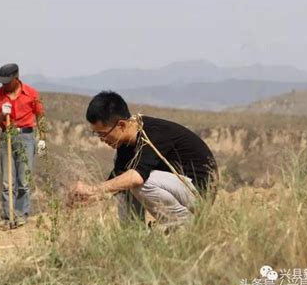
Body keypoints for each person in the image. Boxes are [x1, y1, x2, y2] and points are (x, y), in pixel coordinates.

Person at [71, 91, 217, 227]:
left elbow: (137, 178)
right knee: (122, 183)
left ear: (121, 125)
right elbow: (114, 183)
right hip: (178, 189)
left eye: (103, 134)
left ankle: (184, 227)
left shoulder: (152, 134)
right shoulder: (126, 144)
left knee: (137, 181)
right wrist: (85, 198)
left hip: (199, 194)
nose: (102, 139)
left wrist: (92, 189)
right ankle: (133, 237)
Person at [0, 63, 46, 224]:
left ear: (16, 78)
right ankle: (8, 215)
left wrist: (42, 140)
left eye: (7, 81)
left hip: (26, 136)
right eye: (2, 82)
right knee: (7, 181)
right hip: (6, 135)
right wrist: (2, 114)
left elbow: (40, 116)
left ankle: (21, 216)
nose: (4, 85)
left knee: (24, 180)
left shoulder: (32, 94)